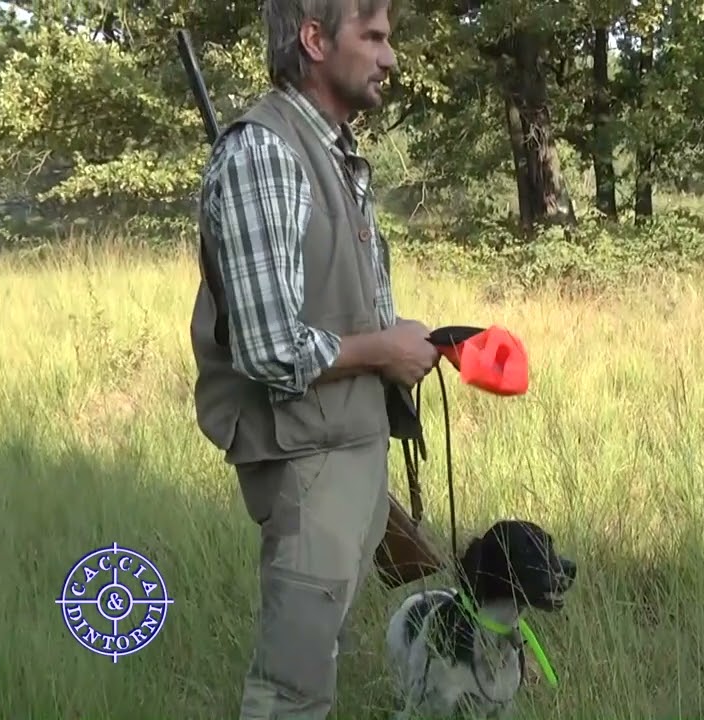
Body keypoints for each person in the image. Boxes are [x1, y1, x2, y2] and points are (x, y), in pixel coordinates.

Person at [187, 0, 444, 717]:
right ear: (314, 40)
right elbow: (269, 349)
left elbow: (335, 306)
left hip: (346, 449)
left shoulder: (331, 149)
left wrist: (401, 336)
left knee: (317, 664)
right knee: (290, 693)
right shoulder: (263, 153)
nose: (390, 57)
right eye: (374, 37)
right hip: (308, 462)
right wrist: (383, 350)